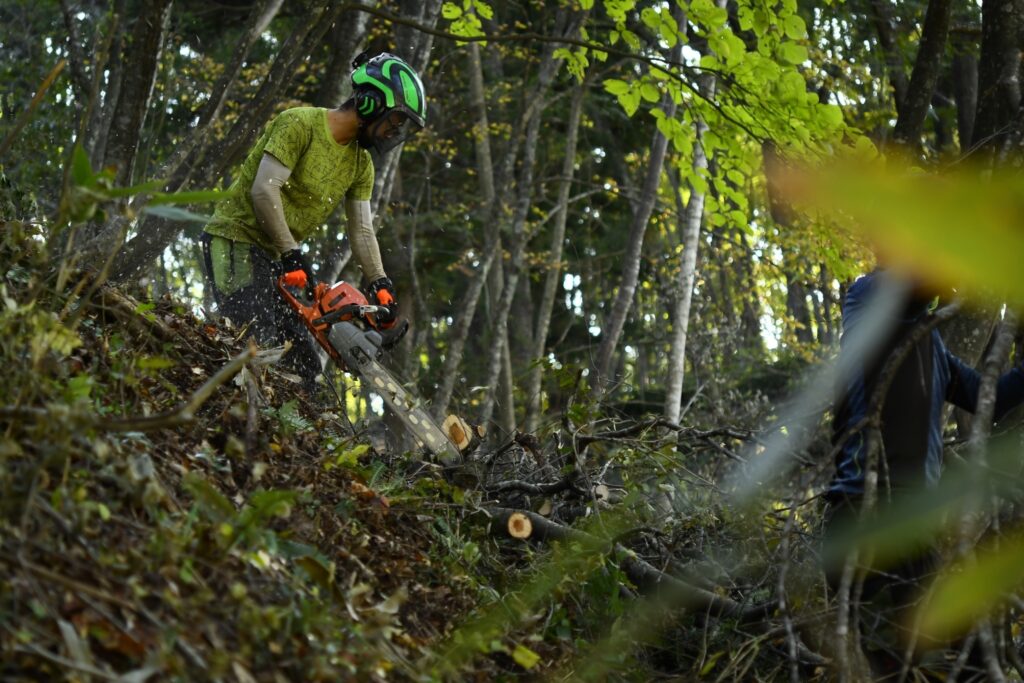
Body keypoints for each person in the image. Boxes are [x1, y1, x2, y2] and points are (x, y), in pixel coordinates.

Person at [822, 269, 1024, 678]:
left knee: (943, 656)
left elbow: (991, 397)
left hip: (914, 524)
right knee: (888, 660)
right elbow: (920, 284)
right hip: (864, 511)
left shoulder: (933, 346)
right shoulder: (866, 297)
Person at [201, 52, 426, 387]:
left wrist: (379, 282)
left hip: (277, 260)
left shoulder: (360, 164)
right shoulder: (299, 124)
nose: (392, 131)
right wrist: (291, 252)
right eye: (393, 121)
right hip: (235, 239)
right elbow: (264, 190)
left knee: (304, 369)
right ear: (371, 103)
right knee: (256, 342)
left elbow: (362, 230)